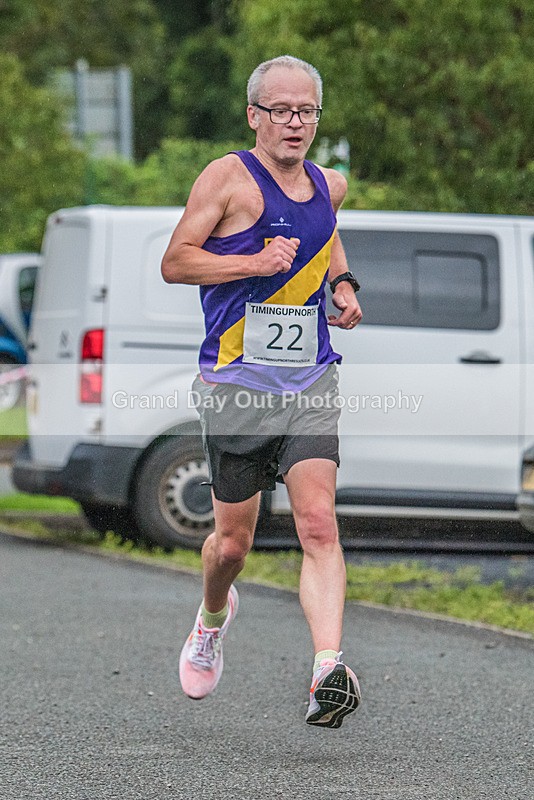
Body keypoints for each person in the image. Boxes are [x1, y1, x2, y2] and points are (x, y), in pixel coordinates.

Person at [161, 54, 363, 729]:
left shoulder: (327, 185)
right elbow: (175, 261)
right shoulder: (227, 179)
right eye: (281, 110)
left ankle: (326, 670)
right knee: (232, 546)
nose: (295, 122)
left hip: (309, 379)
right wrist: (252, 261)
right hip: (237, 383)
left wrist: (342, 285)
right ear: (255, 116)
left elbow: (325, 235)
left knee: (317, 524)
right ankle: (213, 617)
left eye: (306, 110)